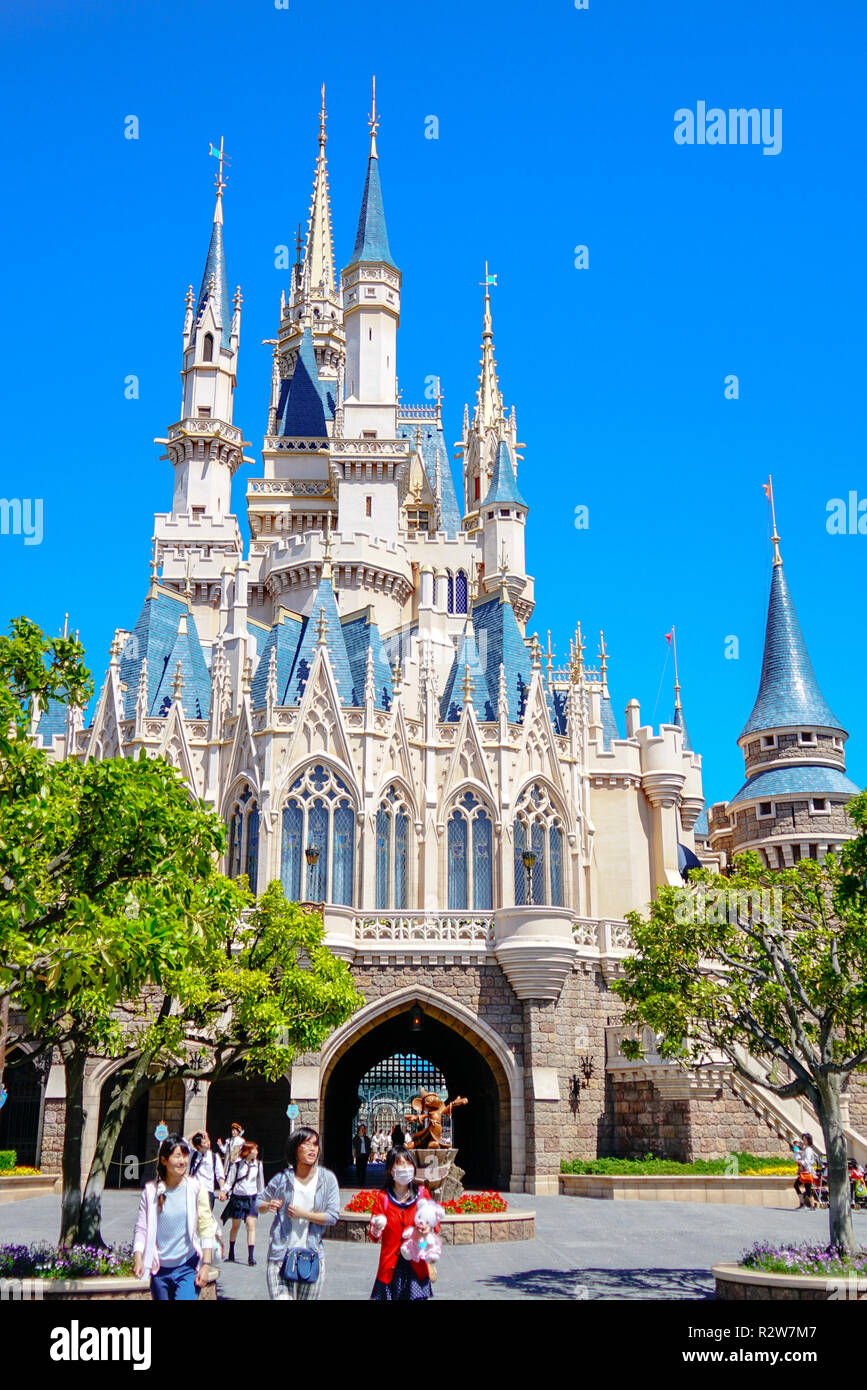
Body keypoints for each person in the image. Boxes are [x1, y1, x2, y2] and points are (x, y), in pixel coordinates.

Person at [257, 1126, 340, 1301]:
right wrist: (268, 1205)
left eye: (315, 1145)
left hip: (311, 1256)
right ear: (295, 1148)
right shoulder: (282, 1179)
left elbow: (332, 1216)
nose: (312, 1148)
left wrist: (305, 1214)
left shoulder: (327, 1180)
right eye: (307, 1144)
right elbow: (258, 1202)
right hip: (280, 1255)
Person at [132, 1134, 217, 1301]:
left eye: (185, 1156)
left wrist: (206, 1265)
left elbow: (206, 1227)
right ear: (164, 1160)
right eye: (177, 1156)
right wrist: (138, 1258)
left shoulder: (195, 1188)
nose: (182, 1161)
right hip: (159, 1269)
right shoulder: (151, 1192)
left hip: (187, 1267)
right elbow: (142, 1227)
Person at [368, 1146, 440, 1301]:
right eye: (400, 1164)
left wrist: (427, 1228)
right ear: (391, 1170)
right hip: (390, 1268)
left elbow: (435, 1225)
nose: (406, 1169)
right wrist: (377, 1228)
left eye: (409, 1164)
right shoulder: (383, 1198)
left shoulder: (422, 1194)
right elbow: (374, 1235)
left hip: (417, 1264)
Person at [219, 1139, 265, 1264]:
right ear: (247, 1151)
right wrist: (224, 1191)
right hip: (238, 1197)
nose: (256, 1152)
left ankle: (251, 1257)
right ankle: (231, 1251)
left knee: (251, 1224)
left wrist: (262, 1198)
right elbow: (230, 1181)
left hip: (252, 1198)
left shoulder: (259, 1165)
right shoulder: (237, 1165)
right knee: (235, 1225)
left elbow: (260, 1183)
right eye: (254, 1149)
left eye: (256, 1150)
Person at [189, 1131, 225, 1211]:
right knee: (192, 1219)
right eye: (204, 1142)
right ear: (198, 1146)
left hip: (208, 1192)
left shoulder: (214, 1156)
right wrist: (197, 1131)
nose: (208, 1143)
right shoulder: (192, 1155)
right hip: (194, 1191)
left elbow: (220, 1174)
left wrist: (222, 1190)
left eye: (208, 1141)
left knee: (206, 1220)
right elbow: (182, 1142)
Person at [794, 1132, 818, 1209]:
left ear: (808, 1140)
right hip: (804, 1171)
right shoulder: (806, 1149)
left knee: (806, 1188)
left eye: (805, 1140)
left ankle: (809, 1204)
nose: (803, 1141)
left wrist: (800, 1162)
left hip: (807, 1171)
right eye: (803, 1139)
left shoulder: (808, 1150)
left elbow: (807, 1161)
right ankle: (806, 1204)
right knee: (801, 1187)